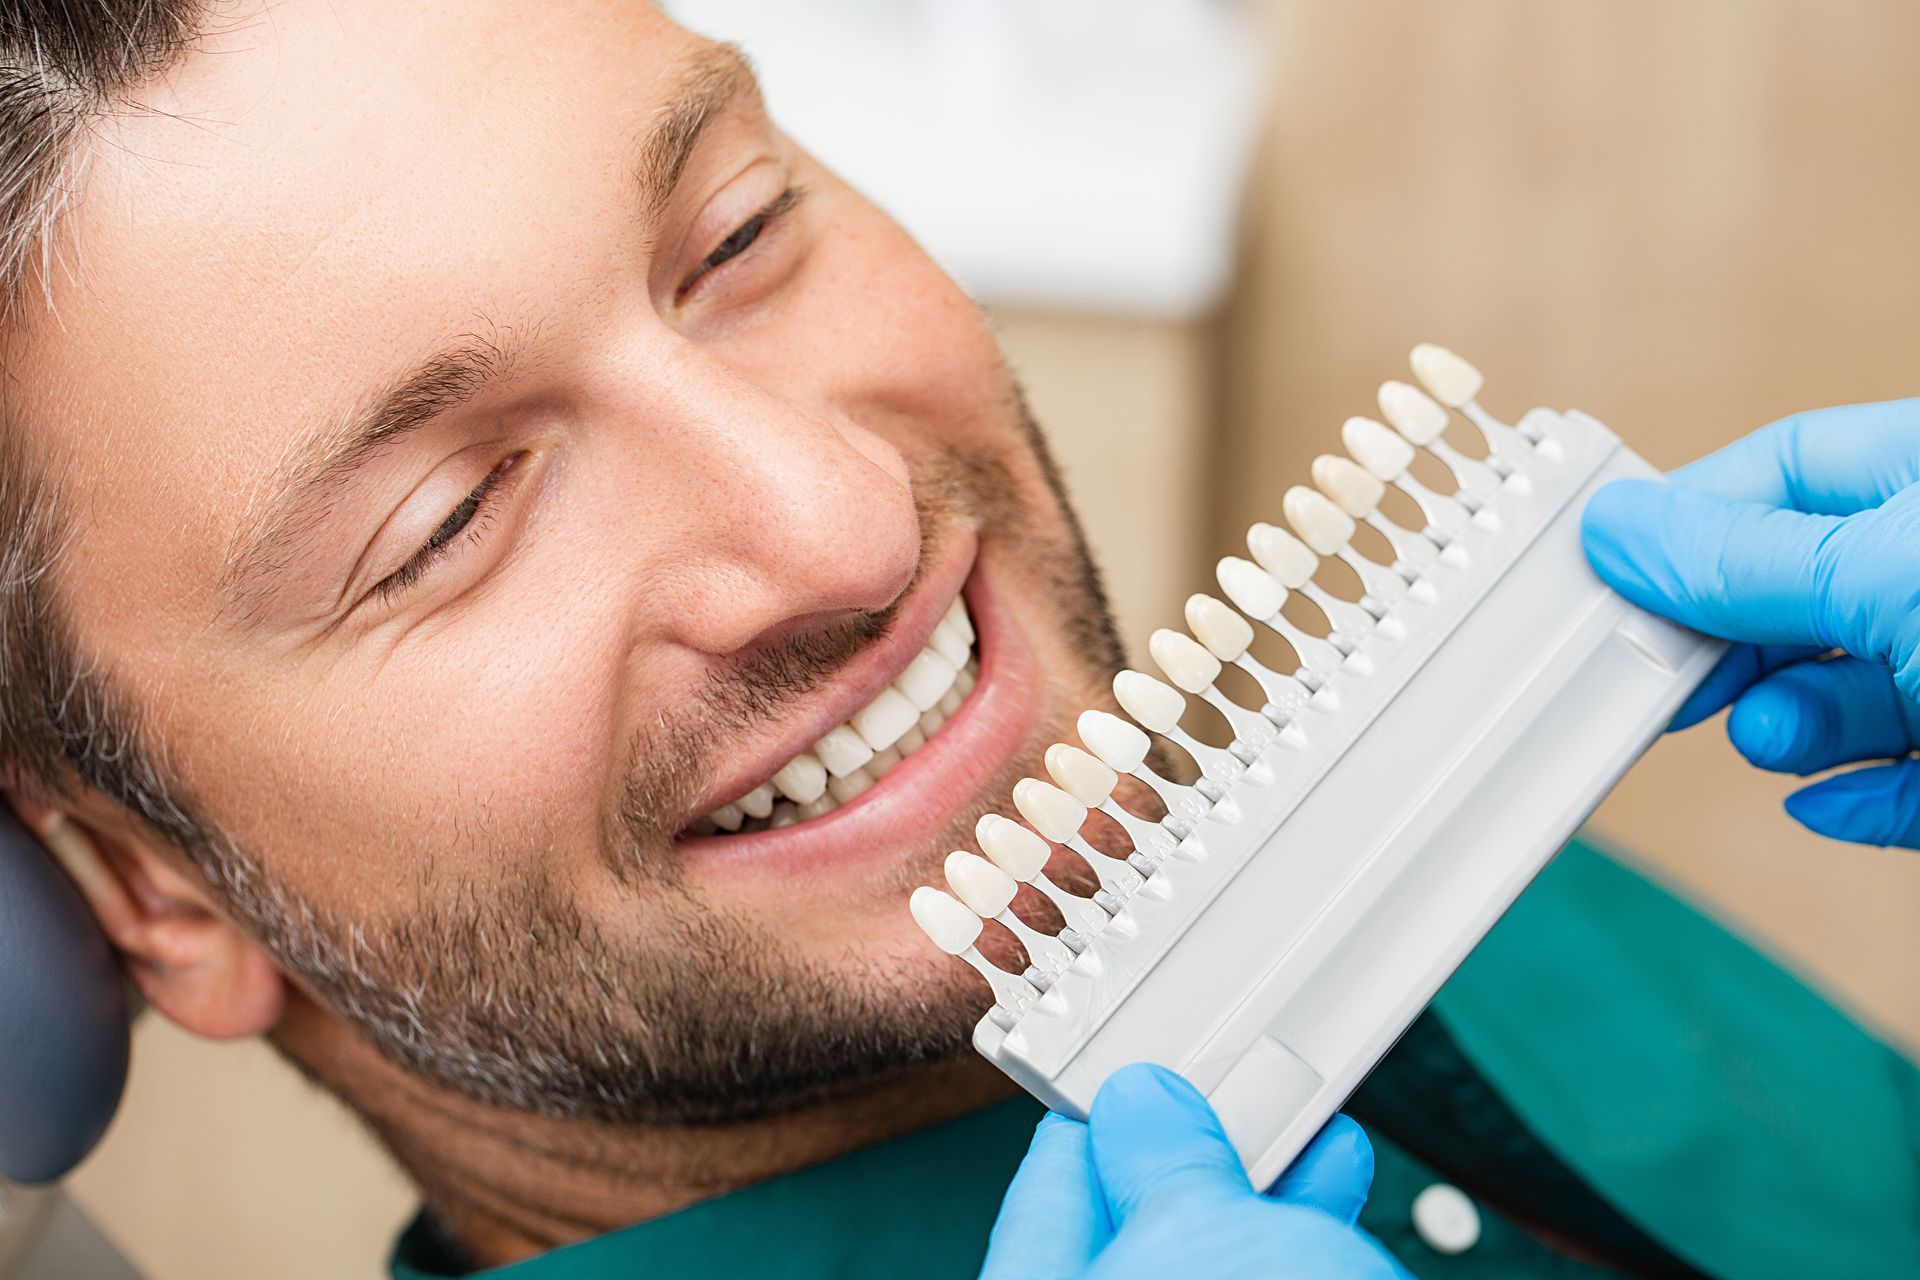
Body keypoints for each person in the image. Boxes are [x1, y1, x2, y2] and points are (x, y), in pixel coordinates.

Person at [1, 3, 1915, 1277]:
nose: (842, 524)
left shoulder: (1417, 844)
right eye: (452, 520)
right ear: (157, 889)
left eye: (737, 236)